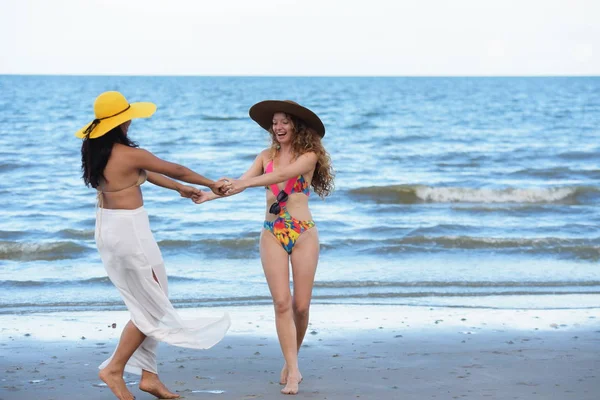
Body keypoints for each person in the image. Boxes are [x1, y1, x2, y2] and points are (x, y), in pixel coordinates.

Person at [76, 91, 231, 400]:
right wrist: (210, 183)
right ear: (122, 121)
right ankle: (114, 368)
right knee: (152, 304)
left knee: (149, 302)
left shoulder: (97, 152)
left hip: (108, 228)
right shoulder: (129, 152)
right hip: (130, 231)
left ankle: (149, 376)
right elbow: (175, 168)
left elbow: (149, 175)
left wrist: (181, 190)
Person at [193, 100, 334, 395]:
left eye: (284, 122)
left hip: (303, 232)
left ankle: (291, 356)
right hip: (272, 233)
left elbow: (281, 176)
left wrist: (246, 184)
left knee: (301, 306)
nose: (278, 127)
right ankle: (293, 369)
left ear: (296, 125)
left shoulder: (309, 156)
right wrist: (211, 195)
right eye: (275, 123)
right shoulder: (264, 155)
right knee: (282, 303)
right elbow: (243, 182)